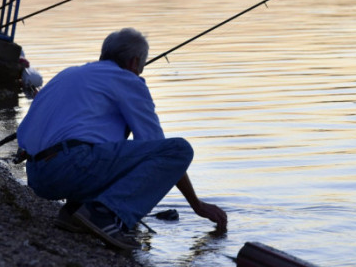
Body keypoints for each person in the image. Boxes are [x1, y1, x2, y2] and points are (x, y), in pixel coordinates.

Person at [16, 28, 227, 251]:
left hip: (38, 176)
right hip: (70, 168)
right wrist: (196, 204)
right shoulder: (127, 80)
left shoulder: (69, 74)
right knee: (179, 149)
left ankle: (74, 212)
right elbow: (161, 149)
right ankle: (104, 215)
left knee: (104, 140)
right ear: (135, 62)